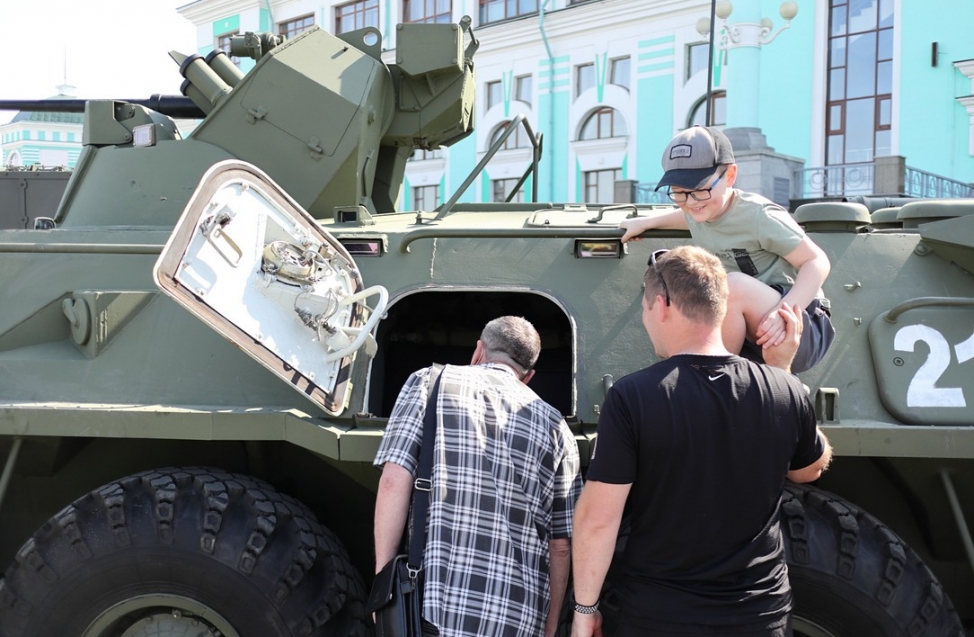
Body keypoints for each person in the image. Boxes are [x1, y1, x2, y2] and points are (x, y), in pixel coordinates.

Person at [570, 246, 833, 637]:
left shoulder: (633, 396)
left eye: (645, 309)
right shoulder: (784, 389)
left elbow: (598, 520)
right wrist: (783, 372)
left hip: (659, 616)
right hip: (757, 615)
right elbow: (810, 469)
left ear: (661, 304)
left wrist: (585, 609)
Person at [373, 316, 583, 637]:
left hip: (436, 612)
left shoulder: (429, 383)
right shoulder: (557, 428)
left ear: (478, 351)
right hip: (518, 621)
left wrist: (382, 585)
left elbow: (393, 481)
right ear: (529, 376)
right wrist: (551, 626)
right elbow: (562, 546)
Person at [619, 125, 834, 373]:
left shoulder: (759, 215)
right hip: (752, 331)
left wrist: (782, 312)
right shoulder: (701, 208)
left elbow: (817, 261)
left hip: (799, 324)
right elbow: (686, 215)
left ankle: (719, 377)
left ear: (730, 176)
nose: (690, 202)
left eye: (699, 190)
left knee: (732, 285)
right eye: (678, 193)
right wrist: (645, 223)